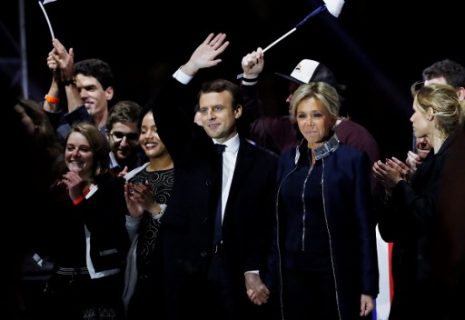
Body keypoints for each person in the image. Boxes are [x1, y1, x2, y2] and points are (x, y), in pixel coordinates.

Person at [152, 33, 278, 320]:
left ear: (237, 111)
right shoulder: (189, 147)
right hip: (186, 269)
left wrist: (253, 268)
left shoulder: (264, 163)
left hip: (233, 272)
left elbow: (264, 223)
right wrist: (190, 67)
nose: (210, 116)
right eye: (205, 110)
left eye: (218, 109)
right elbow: (163, 110)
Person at [272, 82, 378, 320]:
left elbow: (364, 227)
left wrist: (368, 287)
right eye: (302, 116)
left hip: (334, 273)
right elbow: (277, 221)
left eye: (316, 115)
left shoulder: (352, 159)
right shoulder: (287, 159)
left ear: (331, 117)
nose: (308, 123)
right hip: (291, 273)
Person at [373, 83, 463, 320]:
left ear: (431, 114)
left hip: (435, 295)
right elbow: (390, 231)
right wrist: (393, 188)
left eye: (416, 110)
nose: (411, 118)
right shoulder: (432, 162)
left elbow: (431, 218)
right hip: (412, 287)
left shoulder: (454, 161)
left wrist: (400, 185)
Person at [44, 122, 129, 320]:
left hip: (98, 286)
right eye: (70, 148)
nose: (75, 154)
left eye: (83, 149)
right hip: (62, 282)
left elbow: (106, 230)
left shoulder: (112, 187)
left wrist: (79, 199)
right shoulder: (55, 187)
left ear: (96, 154)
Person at [241, 50, 380, 168]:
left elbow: (367, 193)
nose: (287, 99)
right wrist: (250, 78)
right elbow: (253, 126)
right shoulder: (288, 128)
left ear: (319, 96)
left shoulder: (355, 138)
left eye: (294, 93)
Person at [122, 109, 175, 320]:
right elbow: (126, 238)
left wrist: (154, 209)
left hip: (175, 278)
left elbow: (190, 229)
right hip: (141, 278)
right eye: (143, 131)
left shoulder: (187, 175)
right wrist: (134, 218)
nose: (148, 136)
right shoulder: (133, 177)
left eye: (156, 130)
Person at [44, 39, 115, 141]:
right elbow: (43, 125)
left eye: (90, 88)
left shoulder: (118, 133)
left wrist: (68, 80)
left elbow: (89, 138)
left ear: (108, 93)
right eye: (77, 90)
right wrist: (57, 78)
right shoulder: (64, 131)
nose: (82, 95)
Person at [406, 58, 465, 173]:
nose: (427, 100)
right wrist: (414, 172)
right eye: (426, 92)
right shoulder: (422, 130)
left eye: (436, 92)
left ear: (459, 94)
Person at [106, 100, 146, 175]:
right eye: (118, 135)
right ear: (107, 135)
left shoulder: (150, 168)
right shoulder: (95, 168)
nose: (123, 144)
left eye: (131, 137)